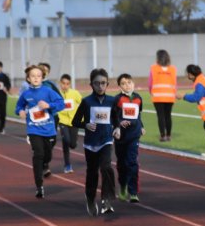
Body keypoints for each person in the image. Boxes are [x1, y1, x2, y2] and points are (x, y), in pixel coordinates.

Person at [72, 68, 118, 217]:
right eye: (97, 83)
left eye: (103, 83)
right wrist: (85, 124)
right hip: (91, 144)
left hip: (105, 141)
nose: (100, 86)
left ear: (107, 84)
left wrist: (117, 128)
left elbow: (116, 119)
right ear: (91, 84)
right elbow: (75, 121)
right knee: (92, 173)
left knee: (106, 167)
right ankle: (90, 199)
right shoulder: (86, 102)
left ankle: (106, 199)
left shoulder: (112, 101)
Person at [15, 65, 65, 199]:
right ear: (28, 79)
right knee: (38, 154)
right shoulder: (26, 94)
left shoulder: (48, 91)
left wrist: (49, 105)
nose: (36, 78)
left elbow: (61, 103)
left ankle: (45, 163)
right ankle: (39, 186)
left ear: (42, 77)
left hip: (49, 129)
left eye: (38, 76)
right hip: (33, 129)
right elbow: (19, 106)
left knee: (47, 155)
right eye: (33, 76)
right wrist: (19, 111)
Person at [113, 73, 145, 203]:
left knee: (132, 163)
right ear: (120, 86)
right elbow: (113, 116)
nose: (127, 85)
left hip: (134, 135)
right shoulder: (117, 99)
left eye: (129, 82)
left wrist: (141, 126)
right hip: (121, 137)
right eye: (123, 83)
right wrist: (119, 124)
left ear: (133, 83)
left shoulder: (138, 98)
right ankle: (123, 187)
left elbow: (138, 115)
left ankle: (133, 192)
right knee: (122, 164)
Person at [149, 50, 177, 142]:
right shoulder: (173, 69)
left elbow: (150, 83)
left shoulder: (153, 68)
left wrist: (151, 91)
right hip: (170, 96)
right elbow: (175, 83)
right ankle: (169, 135)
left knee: (160, 116)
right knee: (168, 115)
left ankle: (162, 136)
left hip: (157, 96)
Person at [58, 74, 83, 174]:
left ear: (70, 84)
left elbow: (83, 103)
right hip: (63, 121)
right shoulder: (57, 94)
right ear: (60, 83)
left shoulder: (75, 93)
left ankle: (70, 142)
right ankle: (67, 165)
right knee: (66, 140)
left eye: (67, 84)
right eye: (63, 83)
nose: (65, 85)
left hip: (74, 122)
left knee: (72, 144)